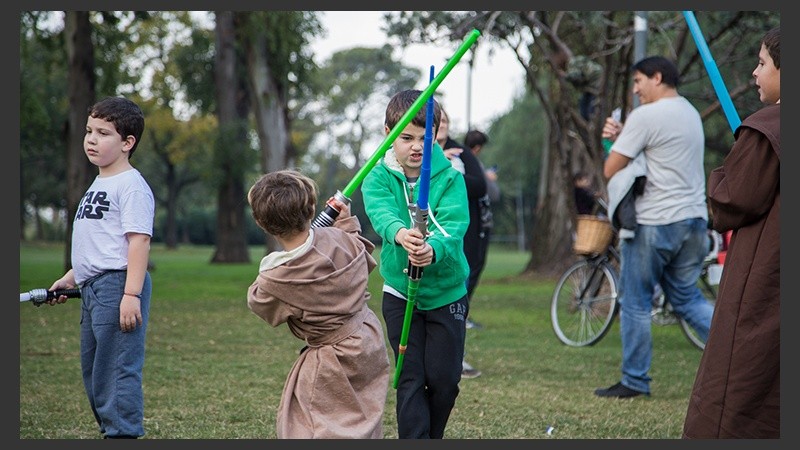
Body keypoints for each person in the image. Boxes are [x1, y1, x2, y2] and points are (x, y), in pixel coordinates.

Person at [595, 56, 714, 398]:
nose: (635, 90)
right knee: (687, 298)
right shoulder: (689, 111)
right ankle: (742, 353)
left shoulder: (646, 115)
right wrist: (625, 135)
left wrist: (614, 140)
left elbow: (611, 167)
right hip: (694, 220)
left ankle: (634, 380)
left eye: (638, 82)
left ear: (657, 77)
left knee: (635, 301)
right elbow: (661, 153)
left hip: (656, 222)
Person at [683, 27, 780, 438]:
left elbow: (732, 200)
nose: (755, 74)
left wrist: (722, 174)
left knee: (740, 382)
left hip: (767, 278)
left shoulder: (769, 128)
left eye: (762, 63)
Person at [246, 170, 390, 439]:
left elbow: (259, 302)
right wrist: (345, 221)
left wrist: (273, 265)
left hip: (331, 359)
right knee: (361, 413)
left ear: (261, 222)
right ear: (312, 208)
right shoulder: (340, 239)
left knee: (318, 424)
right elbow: (359, 250)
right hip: (368, 338)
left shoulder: (276, 277)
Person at [362, 89, 470, 439]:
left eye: (425, 136)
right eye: (405, 137)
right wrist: (400, 234)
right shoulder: (378, 175)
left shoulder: (451, 177)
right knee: (409, 377)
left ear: (438, 133)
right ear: (388, 133)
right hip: (399, 291)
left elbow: (454, 225)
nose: (416, 146)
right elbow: (381, 213)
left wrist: (433, 249)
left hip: (446, 293)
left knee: (444, 381)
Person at [46, 96, 155, 438]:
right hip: (94, 288)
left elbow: (139, 242)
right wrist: (71, 277)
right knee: (95, 372)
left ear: (127, 143)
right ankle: (113, 430)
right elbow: (99, 243)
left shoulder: (131, 186)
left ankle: (122, 434)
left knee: (116, 370)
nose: (91, 139)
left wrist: (131, 294)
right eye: (89, 131)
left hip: (117, 287)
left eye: (103, 133)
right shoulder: (99, 182)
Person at [436, 110, 484, 379]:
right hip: (428, 239)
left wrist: (449, 174)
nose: (442, 126)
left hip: (459, 239)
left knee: (457, 302)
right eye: (438, 121)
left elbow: (480, 186)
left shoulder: (462, 153)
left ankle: (457, 360)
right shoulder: (420, 152)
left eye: (446, 122)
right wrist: (439, 164)